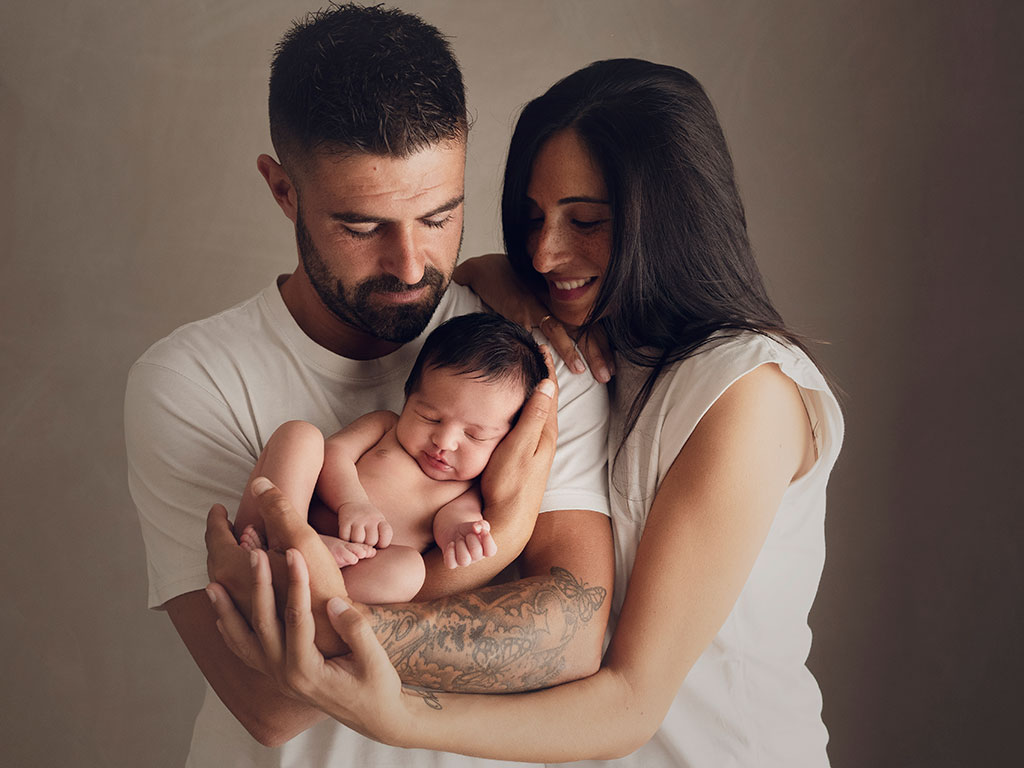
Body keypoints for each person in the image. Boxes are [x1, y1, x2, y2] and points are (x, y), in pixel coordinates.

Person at [209, 57, 846, 766]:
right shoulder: (589, 348)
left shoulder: (745, 394)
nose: (543, 254)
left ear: (671, 217)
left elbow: (629, 700)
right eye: (532, 218)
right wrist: (486, 272)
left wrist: (394, 711)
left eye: (586, 221)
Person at [125, 5, 612, 767]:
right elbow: (269, 705)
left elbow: (574, 634)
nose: (413, 265)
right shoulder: (190, 380)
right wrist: (501, 550)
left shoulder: (525, 359)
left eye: (440, 216)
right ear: (284, 193)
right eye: (361, 228)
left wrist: (313, 630)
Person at [233, 313, 548, 603]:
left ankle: (303, 575)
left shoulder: (466, 489)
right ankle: (287, 541)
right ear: (408, 395)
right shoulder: (386, 426)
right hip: (293, 518)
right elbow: (335, 453)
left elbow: (453, 520)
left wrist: (461, 534)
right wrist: (352, 502)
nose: (444, 441)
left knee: (409, 571)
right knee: (300, 435)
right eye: (429, 416)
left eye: (474, 435)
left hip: (349, 568)